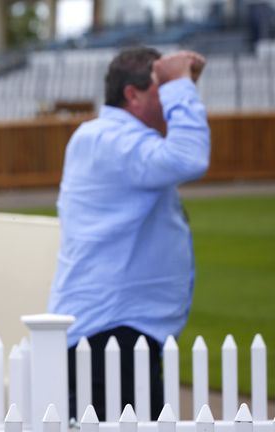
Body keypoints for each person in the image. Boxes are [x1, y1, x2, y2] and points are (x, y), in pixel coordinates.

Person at [48, 47, 210, 420]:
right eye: (162, 90)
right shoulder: (111, 141)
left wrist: (180, 83)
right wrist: (182, 87)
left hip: (115, 331)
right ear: (132, 95)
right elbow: (191, 158)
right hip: (112, 334)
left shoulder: (109, 139)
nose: (169, 101)